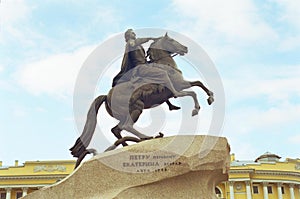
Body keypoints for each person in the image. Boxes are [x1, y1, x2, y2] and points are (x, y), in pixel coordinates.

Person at [112, 29, 181, 110]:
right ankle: (174, 92)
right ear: (128, 36)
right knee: (162, 74)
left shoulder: (136, 45)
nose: (134, 34)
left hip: (144, 65)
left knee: (157, 78)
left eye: (134, 33)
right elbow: (135, 42)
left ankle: (169, 104)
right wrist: (150, 38)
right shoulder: (130, 43)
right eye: (132, 33)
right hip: (140, 68)